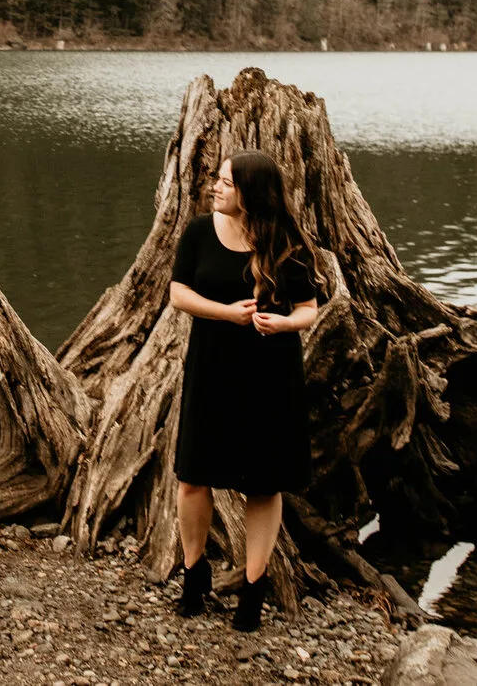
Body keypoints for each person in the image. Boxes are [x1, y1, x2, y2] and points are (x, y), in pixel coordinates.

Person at [168, 149, 324, 631]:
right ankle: (195, 574)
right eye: (216, 179)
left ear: (251, 193)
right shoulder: (199, 232)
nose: (215, 187)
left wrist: (284, 324)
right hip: (211, 368)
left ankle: (254, 587)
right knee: (193, 477)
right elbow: (178, 294)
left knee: (263, 483)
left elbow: (309, 309)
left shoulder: (286, 243)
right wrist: (227, 314)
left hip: (269, 376)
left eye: (226, 182)